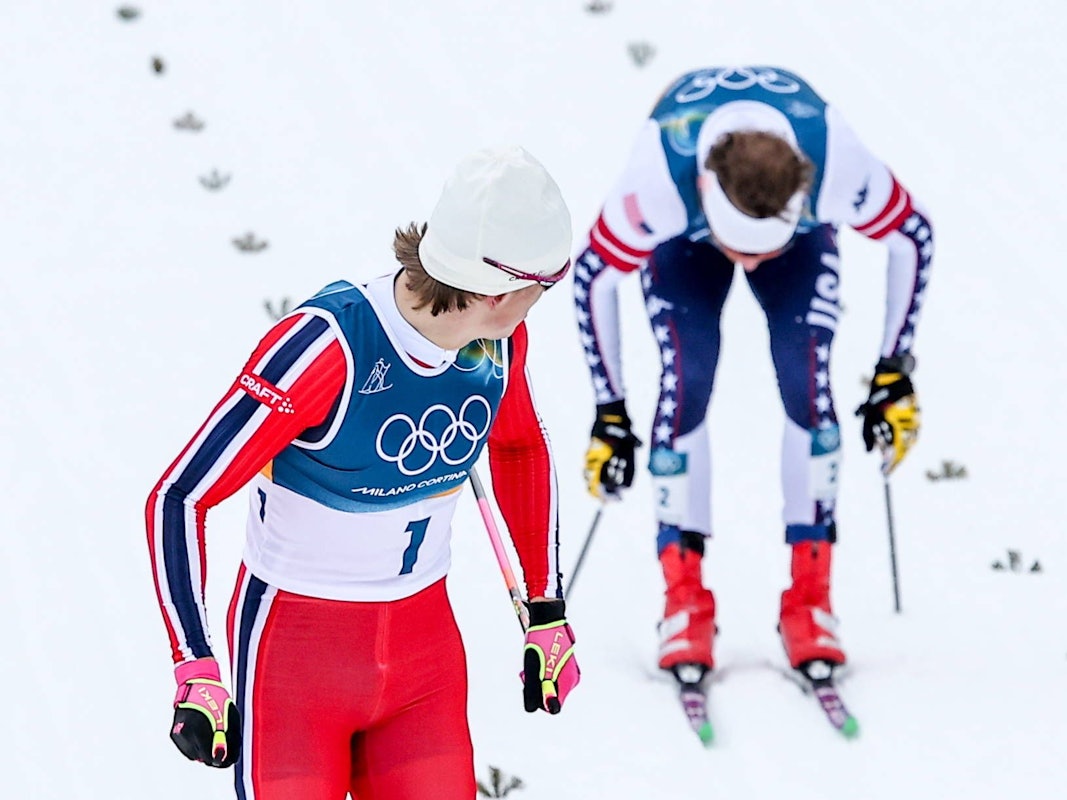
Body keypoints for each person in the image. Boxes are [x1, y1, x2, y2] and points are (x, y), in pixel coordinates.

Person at [146, 146, 580, 799]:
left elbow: (518, 448)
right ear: (505, 289)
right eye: (545, 286)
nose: (542, 301)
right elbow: (179, 498)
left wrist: (545, 608)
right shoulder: (326, 348)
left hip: (420, 662)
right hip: (293, 659)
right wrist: (195, 665)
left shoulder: (499, 343)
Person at [574, 66, 931, 685]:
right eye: (740, 246)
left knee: (807, 381)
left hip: (799, 237)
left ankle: (811, 599)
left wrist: (894, 370)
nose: (749, 262)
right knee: (686, 379)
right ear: (708, 188)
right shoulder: (658, 180)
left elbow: (915, 235)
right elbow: (591, 276)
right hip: (682, 239)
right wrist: (610, 410)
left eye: (762, 249)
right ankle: (683, 600)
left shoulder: (837, 164)